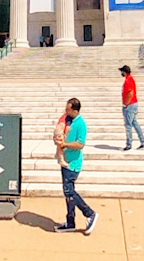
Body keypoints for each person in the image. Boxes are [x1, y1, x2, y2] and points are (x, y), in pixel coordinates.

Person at [54, 98, 98, 235]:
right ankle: (70, 221)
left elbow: (80, 144)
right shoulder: (68, 120)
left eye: (68, 109)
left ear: (75, 110)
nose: (66, 111)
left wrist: (65, 145)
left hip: (73, 164)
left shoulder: (81, 124)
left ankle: (90, 213)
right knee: (68, 194)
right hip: (65, 161)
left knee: (69, 191)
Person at [119, 65, 144, 151]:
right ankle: (143, 142)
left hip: (130, 105)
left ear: (125, 72)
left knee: (128, 125)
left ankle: (129, 144)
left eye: (122, 72)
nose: (121, 73)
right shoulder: (130, 79)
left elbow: (130, 93)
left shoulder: (128, 80)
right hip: (133, 104)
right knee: (135, 123)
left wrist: (126, 104)